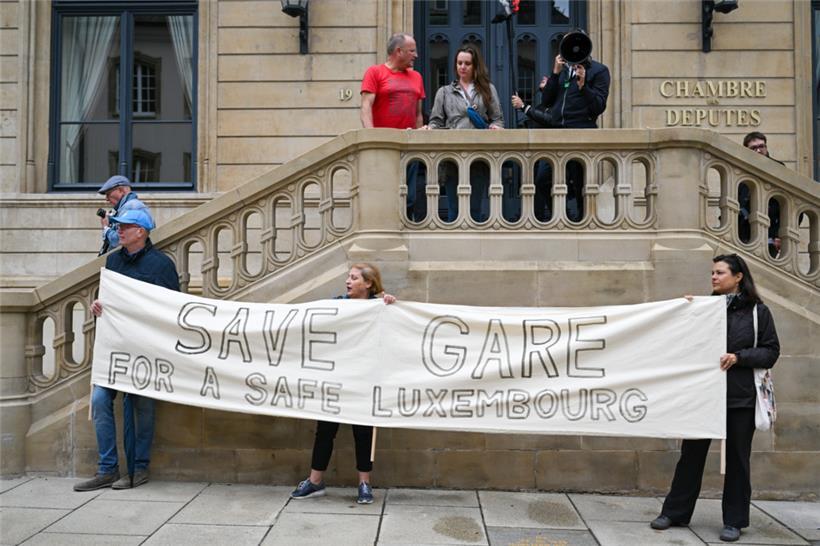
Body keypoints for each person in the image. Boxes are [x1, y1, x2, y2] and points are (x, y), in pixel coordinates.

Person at [651, 254, 780, 543]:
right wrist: (684, 311)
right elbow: (683, 343)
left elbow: (771, 351)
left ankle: (734, 521)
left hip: (740, 397)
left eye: (720, 272)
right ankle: (675, 513)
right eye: (712, 272)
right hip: (704, 396)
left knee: (737, 460)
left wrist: (739, 357)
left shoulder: (758, 312)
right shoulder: (703, 308)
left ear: (738, 277)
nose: (714, 277)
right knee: (690, 457)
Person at [74, 208, 180, 492]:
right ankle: (107, 469)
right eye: (117, 226)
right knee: (99, 400)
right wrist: (98, 306)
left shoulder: (162, 265)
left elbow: (175, 307)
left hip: (145, 349)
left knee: (142, 407)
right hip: (116, 348)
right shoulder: (113, 261)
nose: (118, 231)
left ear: (141, 232)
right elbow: (107, 299)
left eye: (124, 227)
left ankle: (140, 467)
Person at [291, 263, 396, 504]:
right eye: (348, 277)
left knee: (363, 432)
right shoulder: (337, 305)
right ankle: (315, 481)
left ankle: (364, 484)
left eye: (354, 278)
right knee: (325, 430)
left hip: (363, 379)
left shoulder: (380, 307)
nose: (348, 281)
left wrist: (390, 305)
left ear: (368, 283)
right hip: (336, 378)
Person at [523, 33, 610, 221]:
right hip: (556, 133)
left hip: (581, 134)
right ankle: (561, 216)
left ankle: (581, 223)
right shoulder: (563, 71)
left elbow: (599, 107)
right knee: (543, 180)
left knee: (581, 185)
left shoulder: (599, 71)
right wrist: (555, 74)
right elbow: (547, 101)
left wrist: (583, 86)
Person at [423, 45, 504, 222]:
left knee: (475, 208)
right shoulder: (444, 92)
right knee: (454, 208)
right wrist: (430, 128)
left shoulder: (487, 89)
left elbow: (498, 119)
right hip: (452, 156)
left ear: (475, 66)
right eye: (459, 63)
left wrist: (495, 127)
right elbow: (436, 121)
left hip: (478, 156)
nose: (462, 67)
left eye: (467, 63)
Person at [360, 33, 426, 221]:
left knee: (410, 197)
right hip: (385, 146)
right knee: (384, 195)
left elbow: (418, 114)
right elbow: (365, 107)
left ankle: (406, 228)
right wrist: (372, 139)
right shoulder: (375, 72)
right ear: (399, 51)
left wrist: (419, 138)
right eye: (412, 51)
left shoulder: (416, 77)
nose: (416, 55)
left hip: (409, 145)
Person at [740, 132, 784, 256]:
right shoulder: (740, 167)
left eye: (761, 146)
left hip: (769, 233)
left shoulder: (779, 168)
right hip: (743, 233)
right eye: (753, 148)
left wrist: (779, 235)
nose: (759, 151)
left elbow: (787, 203)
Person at [97, 175, 149, 256]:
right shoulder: (128, 207)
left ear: (121, 190)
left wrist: (106, 228)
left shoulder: (131, 207)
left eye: (108, 194)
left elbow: (119, 240)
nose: (106, 199)